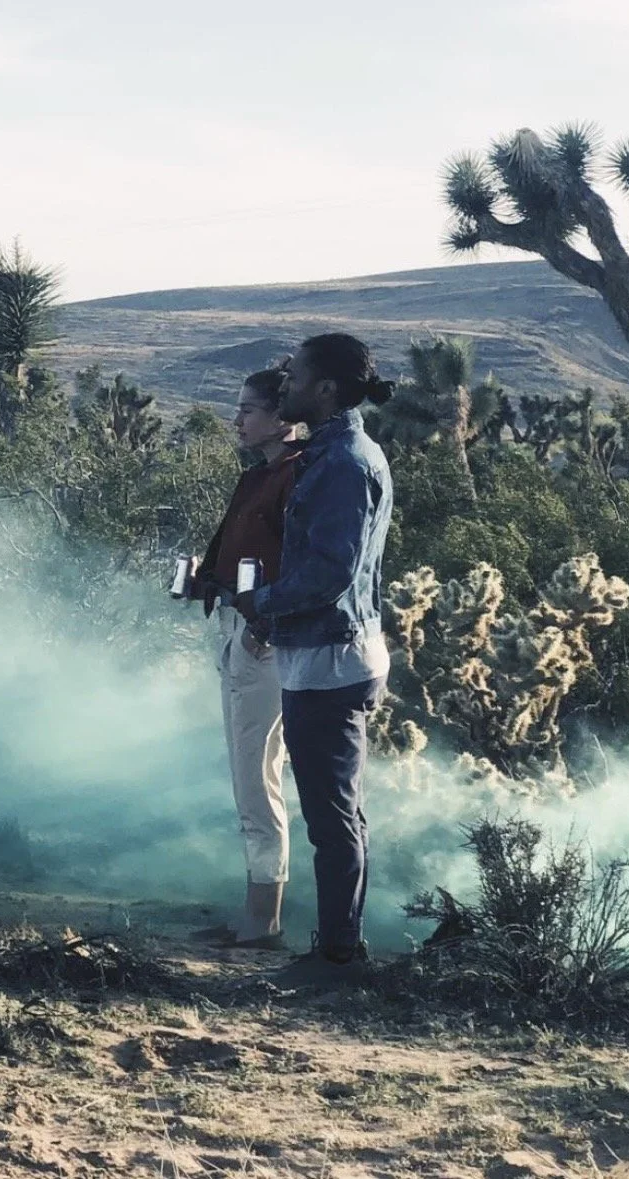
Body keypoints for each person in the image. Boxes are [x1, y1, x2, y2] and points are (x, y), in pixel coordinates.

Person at [232, 333, 394, 979]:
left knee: (331, 818)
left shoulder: (340, 463)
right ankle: (338, 945)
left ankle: (337, 956)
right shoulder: (339, 453)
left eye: (295, 375)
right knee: (338, 812)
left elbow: (329, 570)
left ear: (324, 389)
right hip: (334, 651)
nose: (285, 381)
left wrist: (260, 604)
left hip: (330, 658)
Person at [192, 368, 301, 950]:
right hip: (246, 630)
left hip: (266, 639)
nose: (237, 420)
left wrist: (266, 622)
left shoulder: (293, 474)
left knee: (258, 778)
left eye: (248, 410)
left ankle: (265, 920)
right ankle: (257, 913)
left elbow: (302, 563)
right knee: (250, 775)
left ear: (282, 416)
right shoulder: (262, 475)